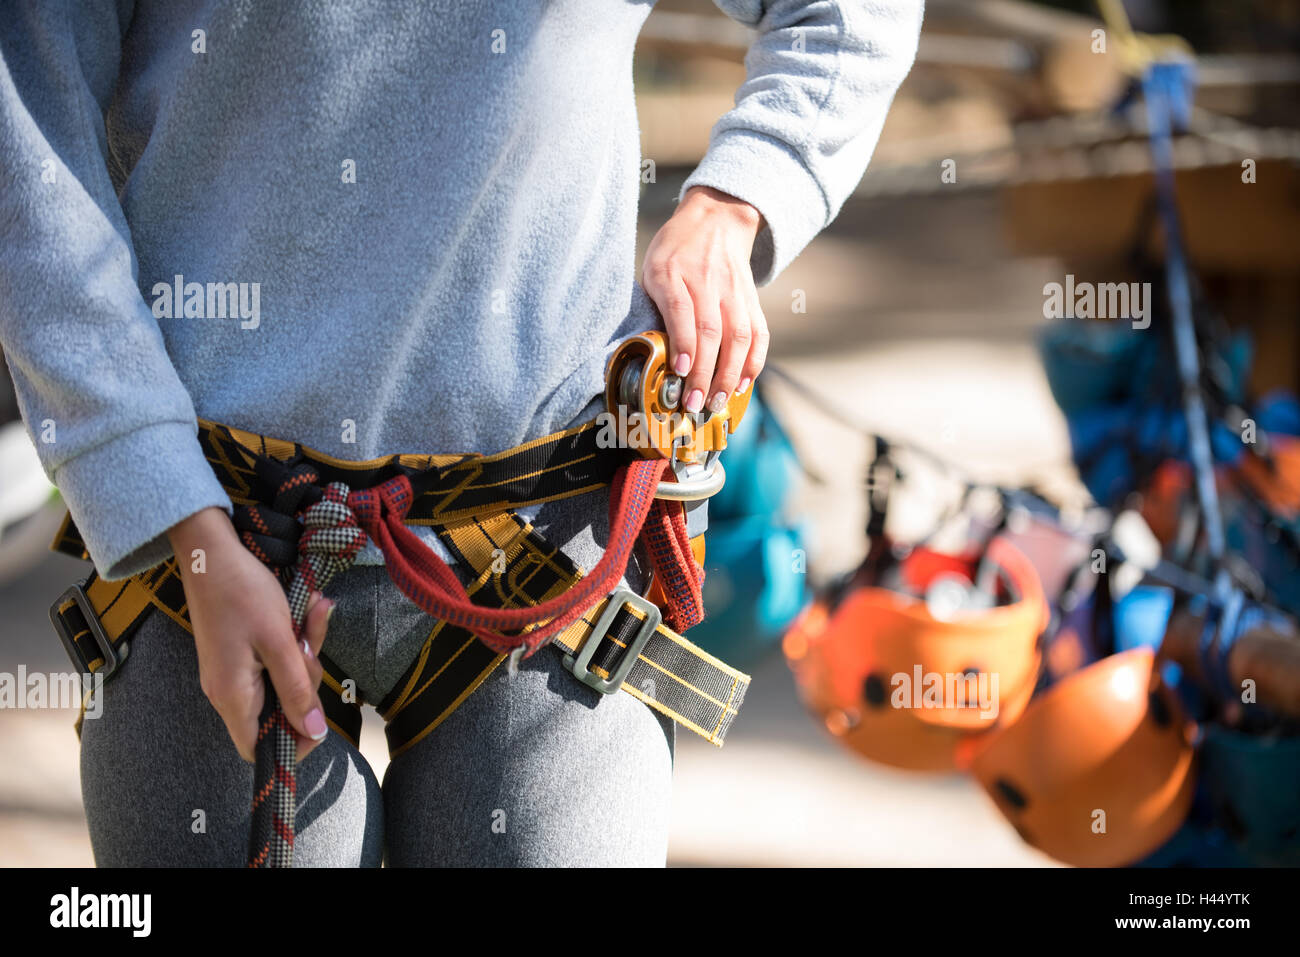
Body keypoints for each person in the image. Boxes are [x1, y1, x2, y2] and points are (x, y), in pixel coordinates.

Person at [0, 1, 923, 866]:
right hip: (213, 557)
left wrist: (738, 198)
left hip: (548, 565)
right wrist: (169, 509)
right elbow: (25, 121)